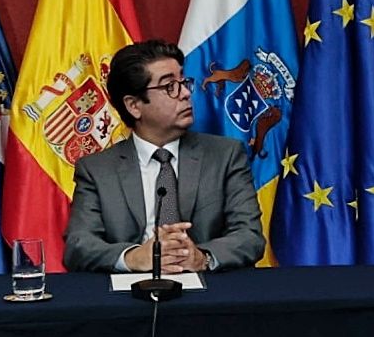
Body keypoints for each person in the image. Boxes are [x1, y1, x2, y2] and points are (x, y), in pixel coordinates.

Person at [63, 38, 263, 273]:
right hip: (131, 297)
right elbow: (79, 245)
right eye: (170, 86)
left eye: (183, 81)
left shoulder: (225, 156)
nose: (186, 93)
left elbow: (249, 236)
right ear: (134, 106)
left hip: (207, 293)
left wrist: (202, 257)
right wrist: (133, 257)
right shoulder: (97, 170)